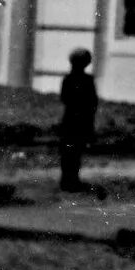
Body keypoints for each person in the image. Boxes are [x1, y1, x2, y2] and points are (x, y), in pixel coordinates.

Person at [57, 47, 100, 193]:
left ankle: (66, 180)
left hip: (70, 119)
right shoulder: (88, 80)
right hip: (82, 120)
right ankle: (72, 180)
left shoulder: (67, 79)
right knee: (76, 153)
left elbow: (64, 98)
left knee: (68, 152)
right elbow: (93, 102)